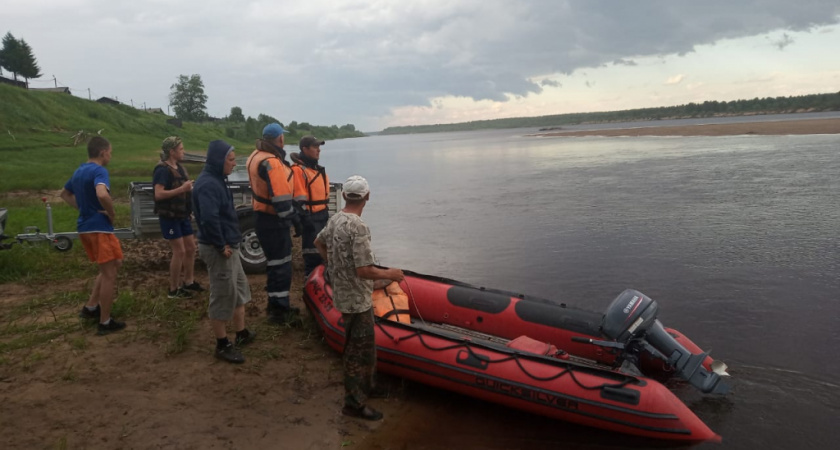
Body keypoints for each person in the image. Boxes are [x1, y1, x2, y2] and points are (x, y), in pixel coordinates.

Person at [314, 175, 404, 421]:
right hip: (356, 300)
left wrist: (332, 265)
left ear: (344, 195)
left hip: (344, 293)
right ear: (367, 196)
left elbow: (318, 242)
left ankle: (368, 386)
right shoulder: (359, 226)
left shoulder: (336, 218)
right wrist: (392, 274)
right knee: (357, 349)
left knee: (366, 345)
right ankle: (353, 404)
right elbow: (364, 270)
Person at [192, 140, 256, 363]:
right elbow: (209, 219)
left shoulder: (218, 179)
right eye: (230, 160)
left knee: (239, 289)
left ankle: (241, 333)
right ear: (219, 160)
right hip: (218, 248)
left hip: (230, 245)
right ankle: (221, 345)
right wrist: (221, 245)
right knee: (222, 295)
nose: (233, 164)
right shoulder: (208, 184)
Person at [60, 136, 126, 335]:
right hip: (99, 228)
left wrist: (83, 209)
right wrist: (111, 213)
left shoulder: (80, 170)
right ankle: (104, 321)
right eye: (110, 152)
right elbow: (102, 194)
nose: (110, 156)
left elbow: (64, 193)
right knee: (109, 274)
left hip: (86, 227)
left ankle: (90, 308)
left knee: (114, 264)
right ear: (102, 152)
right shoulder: (99, 171)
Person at [246, 123, 303, 325]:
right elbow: (282, 203)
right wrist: (296, 220)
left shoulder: (255, 156)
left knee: (274, 264)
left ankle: (275, 304)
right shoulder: (272, 162)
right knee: (281, 266)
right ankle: (279, 312)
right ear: (280, 139)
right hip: (273, 222)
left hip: (262, 219)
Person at [153, 136, 203, 298]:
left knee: (190, 248)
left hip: (182, 215)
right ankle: (173, 289)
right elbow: (158, 194)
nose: (183, 151)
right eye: (181, 149)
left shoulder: (180, 168)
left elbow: (185, 189)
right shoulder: (162, 170)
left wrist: (189, 205)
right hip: (169, 217)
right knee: (179, 251)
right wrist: (182, 189)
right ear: (172, 151)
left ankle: (189, 281)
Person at [291, 135, 330, 277]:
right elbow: (298, 200)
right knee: (313, 255)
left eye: (319, 147)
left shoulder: (315, 169)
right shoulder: (298, 170)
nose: (318, 150)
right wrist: (306, 220)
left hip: (322, 215)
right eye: (315, 147)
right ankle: (310, 284)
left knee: (324, 253)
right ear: (305, 149)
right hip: (311, 218)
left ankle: (323, 284)